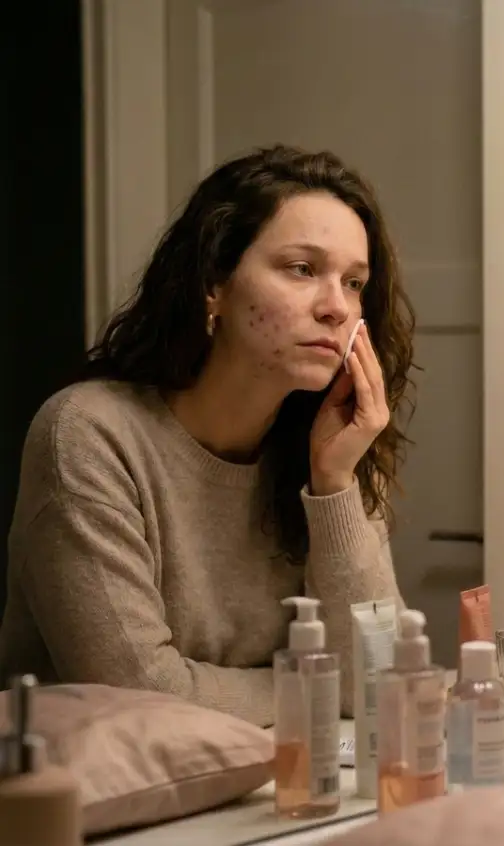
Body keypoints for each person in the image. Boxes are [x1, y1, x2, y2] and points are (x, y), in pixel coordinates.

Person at [0, 144, 414, 728]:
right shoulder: (89, 435)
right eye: (302, 269)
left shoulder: (330, 446)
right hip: (104, 801)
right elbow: (138, 693)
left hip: (284, 788)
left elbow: (381, 680)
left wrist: (334, 486)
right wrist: (320, 689)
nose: (336, 308)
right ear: (213, 284)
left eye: (353, 283)